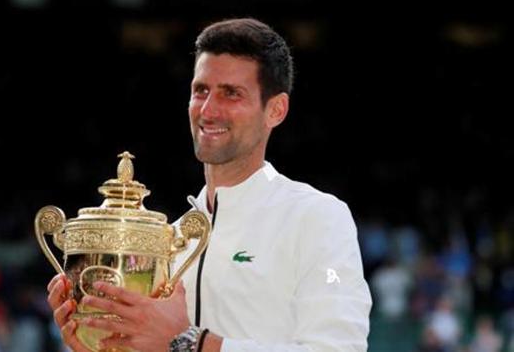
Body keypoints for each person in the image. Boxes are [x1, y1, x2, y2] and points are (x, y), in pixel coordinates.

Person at [47, 17, 372, 351]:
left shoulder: (317, 217)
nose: (208, 110)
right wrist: (98, 343)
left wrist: (193, 343)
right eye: (200, 90)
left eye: (231, 94)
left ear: (276, 110)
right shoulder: (168, 240)